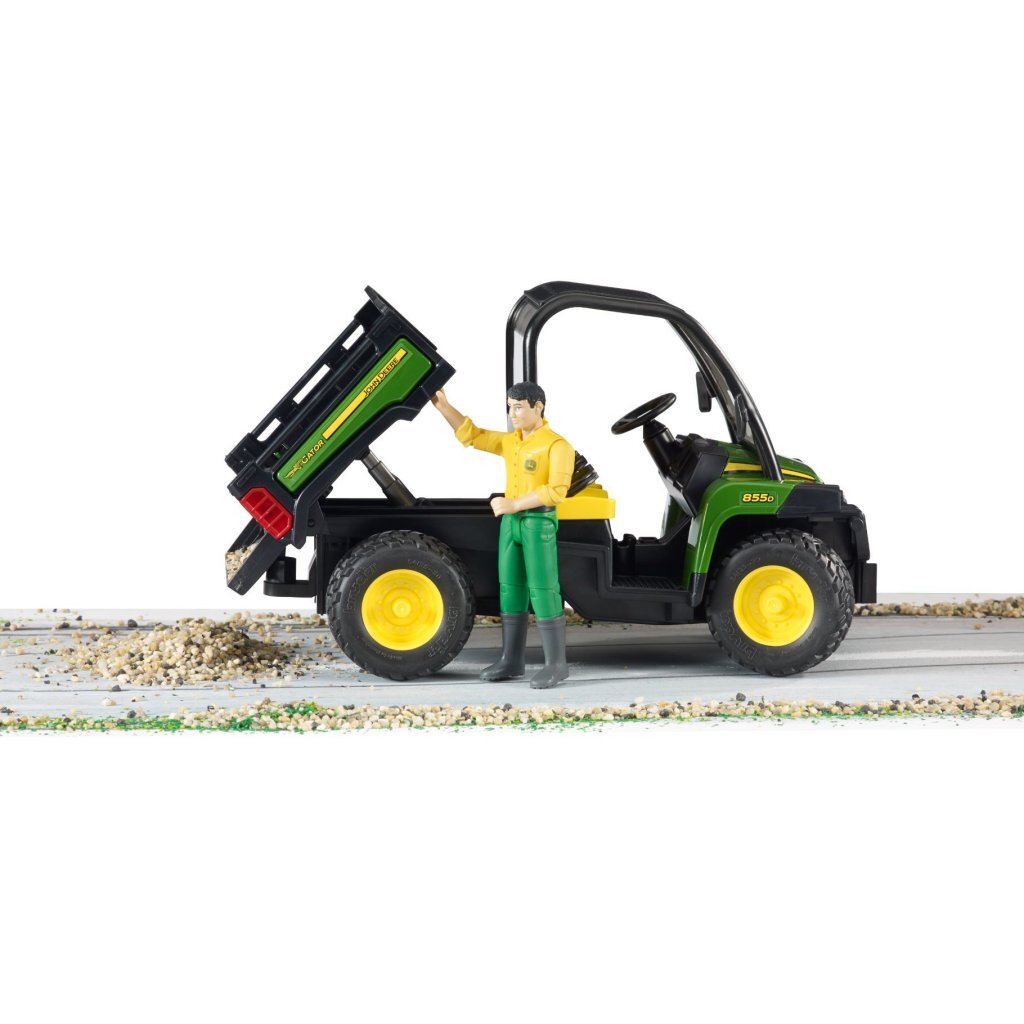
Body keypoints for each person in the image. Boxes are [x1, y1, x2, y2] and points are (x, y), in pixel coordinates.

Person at [431, 383, 574, 688]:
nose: (512, 414)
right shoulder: (512, 442)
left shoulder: (557, 445)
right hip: (511, 524)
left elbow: (556, 491)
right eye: (510, 407)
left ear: (538, 407)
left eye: (518, 407)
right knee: (510, 589)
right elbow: (474, 435)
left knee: (544, 590)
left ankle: (556, 664)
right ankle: (512, 659)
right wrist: (444, 406)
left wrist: (514, 504)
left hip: (538, 522)